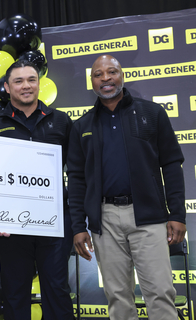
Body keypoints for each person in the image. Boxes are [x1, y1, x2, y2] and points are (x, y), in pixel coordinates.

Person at [67, 54, 186, 320]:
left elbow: (172, 164)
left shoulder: (152, 113)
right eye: (98, 74)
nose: (106, 78)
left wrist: (177, 214)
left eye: (112, 72)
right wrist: (78, 227)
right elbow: (76, 179)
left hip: (149, 216)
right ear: (92, 82)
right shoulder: (82, 126)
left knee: (160, 293)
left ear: (122, 75)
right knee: (118, 298)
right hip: (105, 220)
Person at [0, 60, 74, 320]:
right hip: (11, 226)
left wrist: (75, 217)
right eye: (18, 81)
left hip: (54, 226)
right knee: (15, 295)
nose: (26, 86)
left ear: (40, 83)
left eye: (31, 79)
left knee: (57, 292)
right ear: (6, 86)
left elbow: (77, 172)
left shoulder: (61, 121)